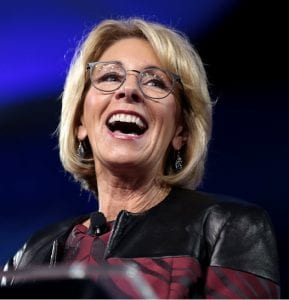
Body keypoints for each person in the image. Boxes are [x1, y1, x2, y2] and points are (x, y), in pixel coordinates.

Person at [1, 18, 280, 298]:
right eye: (110, 77)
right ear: (80, 123)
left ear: (180, 132)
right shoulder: (32, 252)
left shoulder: (229, 227)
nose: (129, 90)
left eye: (156, 82)